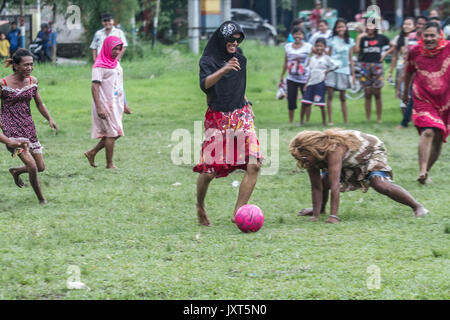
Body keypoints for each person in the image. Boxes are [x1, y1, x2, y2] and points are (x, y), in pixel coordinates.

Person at [193, 21, 262, 226]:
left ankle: (238, 212)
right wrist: (224, 69)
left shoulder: (239, 57)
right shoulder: (208, 60)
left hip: (241, 116)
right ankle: (200, 206)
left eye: (238, 39)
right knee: (209, 171)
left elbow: (238, 84)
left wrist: (247, 102)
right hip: (218, 119)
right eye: (231, 39)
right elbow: (204, 85)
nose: (235, 42)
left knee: (254, 164)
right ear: (222, 38)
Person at [289, 129, 429, 223]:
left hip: (370, 151)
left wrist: (334, 216)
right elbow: (316, 187)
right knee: (322, 180)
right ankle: (320, 209)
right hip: (349, 160)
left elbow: (335, 184)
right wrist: (315, 216)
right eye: (299, 158)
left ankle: (417, 206)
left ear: (313, 150)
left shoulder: (334, 149)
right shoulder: (310, 158)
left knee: (379, 184)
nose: (302, 161)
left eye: (304, 157)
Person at [0, 49, 59, 204]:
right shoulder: (3, 84)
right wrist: (6, 137)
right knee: (32, 166)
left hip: (28, 127)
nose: (29, 68)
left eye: (31, 64)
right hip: (10, 129)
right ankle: (42, 200)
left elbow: (39, 103)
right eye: (25, 65)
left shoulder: (33, 81)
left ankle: (16, 171)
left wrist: (50, 119)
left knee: (40, 167)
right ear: (16, 66)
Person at [402, 22, 449, 184]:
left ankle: (426, 173)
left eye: (432, 35)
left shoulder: (448, 49)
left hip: (445, 101)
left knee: (438, 137)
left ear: (439, 36)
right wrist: (404, 92)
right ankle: (422, 169)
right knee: (428, 131)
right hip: (422, 98)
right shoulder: (415, 51)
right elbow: (408, 72)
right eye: (426, 35)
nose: (429, 39)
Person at [84, 36, 126, 170]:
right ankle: (109, 164)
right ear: (107, 47)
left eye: (119, 49)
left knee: (116, 132)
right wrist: (99, 107)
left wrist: (124, 104)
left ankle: (92, 152)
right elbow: (94, 87)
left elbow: (119, 84)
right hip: (104, 103)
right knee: (112, 133)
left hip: (116, 102)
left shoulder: (116, 63)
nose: (117, 51)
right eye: (114, 48)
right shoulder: (99, 65)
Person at [90, 13, 131, 114]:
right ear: (102, 22)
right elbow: (94, 47)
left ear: (113, 21)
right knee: (99, 84)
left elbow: (124, 46)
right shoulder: (98, 34)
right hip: (101, 64)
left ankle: (124, 105)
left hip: (113, 63)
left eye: (109, 20)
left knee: (117, 83)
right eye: (105, 21)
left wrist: (116, 59)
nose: (107, 23)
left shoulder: (118, 32)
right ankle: (102, 106)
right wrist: (96, 61)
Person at [355, 20, 392, 123]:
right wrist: (358, 37)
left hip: (377, 65)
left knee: (377, 92)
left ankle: (379, 118)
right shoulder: (362, 38)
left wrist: (384, 54)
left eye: (372, 26)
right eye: (368, 26)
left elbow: (392, 46)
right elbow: (357, 51)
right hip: (364, 65)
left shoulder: (381, 37)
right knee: (367, 92)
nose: (369, 28)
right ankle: (368, 118)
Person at [398, 16, 428, 129]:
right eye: (418, 24)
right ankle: (405, 122)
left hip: (425, 71)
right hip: (412, 70)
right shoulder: (411, 36)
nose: (420, 26)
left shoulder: (429, 37)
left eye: (422, 24)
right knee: (412, 95)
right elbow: (408, 54)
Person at [325, 18, 356, 125]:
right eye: (338, 27)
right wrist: (325, 70)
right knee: (330, 96)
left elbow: (350, 59)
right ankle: (330, 120)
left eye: (342, 26)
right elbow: (328, 56)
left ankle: (346, 120)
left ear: (346, 28)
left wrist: (353, 74)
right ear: (335, 28)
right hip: (332, 71)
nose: (341, 29)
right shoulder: (332, 40)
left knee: (343, 97)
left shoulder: (350, 41)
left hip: (344, 70)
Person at [301, 38, 338, 126]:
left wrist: (327, 71)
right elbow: (309, 72)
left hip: (320, 83)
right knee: (305, 103)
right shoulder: (312, 58)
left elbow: (336, 65)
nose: (319, 48)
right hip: (310, 83)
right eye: (317, 46)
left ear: (325, 47)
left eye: (321, 46)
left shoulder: (326, 58)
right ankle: (301, 121)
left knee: (321, 104)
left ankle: (324, 122)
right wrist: (306, 83)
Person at [280, 26, 313, 124]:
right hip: (291, 78)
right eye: (295, 33)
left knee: (306, 100)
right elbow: (286, 62)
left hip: (305, 78)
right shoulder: (288, 46)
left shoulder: (308, 46)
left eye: (300, 34)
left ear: (303, 35)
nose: (297, 36)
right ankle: (291, 122)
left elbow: (317, 54)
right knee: (291, 100)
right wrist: (282, 75)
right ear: (292, 35)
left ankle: (306, 121)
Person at [387, 17, 415, 116]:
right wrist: (390, 72)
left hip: (414, 69)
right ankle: (405, 117)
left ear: (414, 26)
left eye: (409, 24)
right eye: (405, 24)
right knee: (402, 91)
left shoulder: (417, 38)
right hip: (401, 68)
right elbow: (394, 57)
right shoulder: (398, 38)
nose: (406, 26)